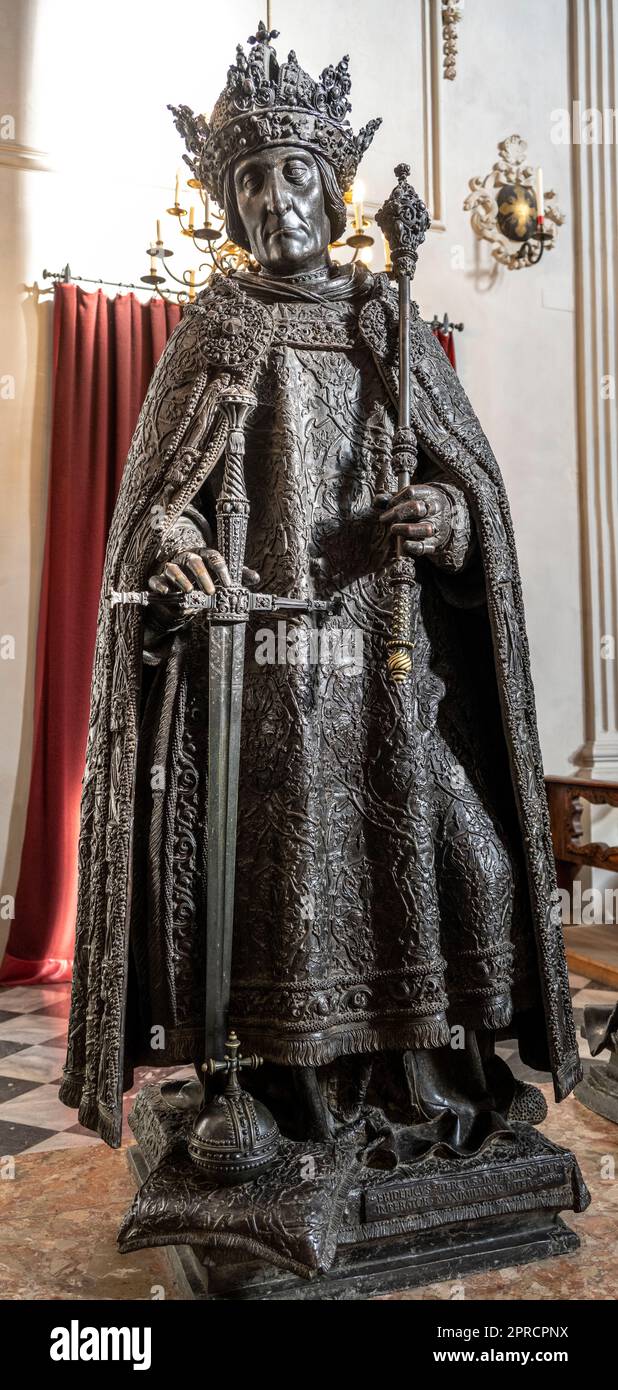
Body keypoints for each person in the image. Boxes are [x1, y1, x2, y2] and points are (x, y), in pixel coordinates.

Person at [60, 22, 580, 1155]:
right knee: (293, 895)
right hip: (269, 680)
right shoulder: (216, 328)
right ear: (230, 203)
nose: (273, 198)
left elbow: (472, 490)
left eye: (294, 172)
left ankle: (439, 1078)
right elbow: (156, 503)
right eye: (249, 180)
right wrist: (169, 544)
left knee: (477, 865)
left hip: (391, 668)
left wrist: (442, 518)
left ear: (332, 185)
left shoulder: (384, 323)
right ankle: (292, 1100)